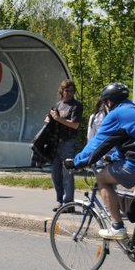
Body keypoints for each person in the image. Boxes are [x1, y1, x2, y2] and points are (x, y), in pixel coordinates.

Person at [68, 83, 135, 239]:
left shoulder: (116, 114)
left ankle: (117, 227)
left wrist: (76, 162)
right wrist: (114, 157)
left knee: (102, 178)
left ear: (109, 101)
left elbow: (97, 144)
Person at [48, 79, 83, 212]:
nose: (68, 93)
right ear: (61, 91)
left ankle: (69, 203)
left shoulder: (76, 106)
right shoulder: (57, 105)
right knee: (55, 173)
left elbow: (75, 124)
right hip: (56, 142)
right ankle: (60, 201)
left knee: (67, 173)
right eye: (66, 90)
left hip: (69, 142)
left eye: (71, 91)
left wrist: (58, 119)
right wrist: (49, 120)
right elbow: (51, 120)